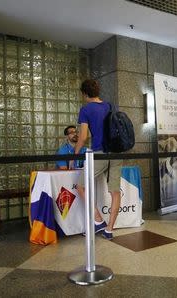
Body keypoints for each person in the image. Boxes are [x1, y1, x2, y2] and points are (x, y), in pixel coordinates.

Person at [73, 79, 123, 240]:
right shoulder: (110, 106)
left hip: (99, 153)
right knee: (115, 191)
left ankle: (98, 219)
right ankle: (109, 229)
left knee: (80, 186)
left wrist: (75, 153)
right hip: (116, 152)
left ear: (85, 93)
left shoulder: (85, 109)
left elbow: (83, 136)